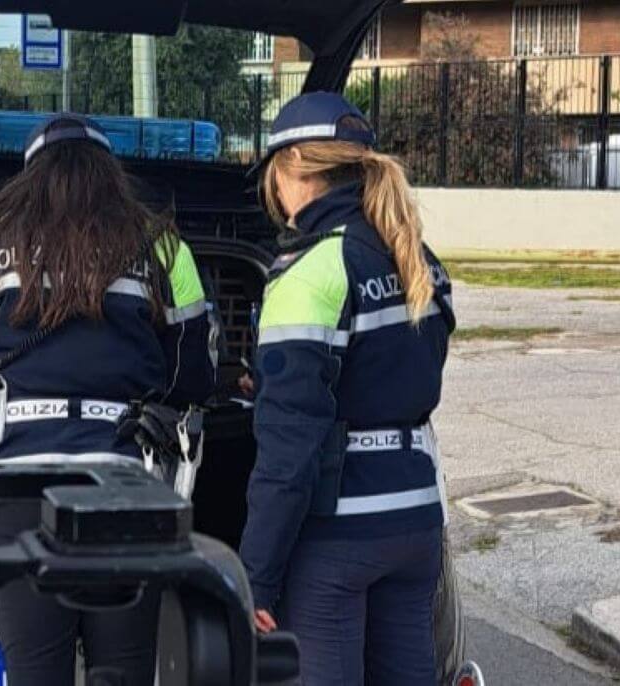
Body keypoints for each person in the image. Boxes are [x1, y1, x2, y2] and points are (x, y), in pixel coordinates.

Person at [0, 114, 216, 685]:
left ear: (28, 174)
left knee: (35, 671)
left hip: (14, 484)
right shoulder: (161, 245)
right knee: (125, 669)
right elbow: (194, 374)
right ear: (110, 175)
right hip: (125, 488)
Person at [239, 92, 455, 685]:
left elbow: (290, 453)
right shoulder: (418, 258)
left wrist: (255, 576)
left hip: (341, 536)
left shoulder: (313, 269)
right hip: (415, 520)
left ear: (290, 172)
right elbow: (398, 374)